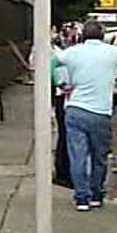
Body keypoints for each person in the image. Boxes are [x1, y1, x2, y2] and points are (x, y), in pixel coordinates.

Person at [51, 21, 117, 210]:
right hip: (100, 112)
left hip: (75, 109)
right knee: (99, 156)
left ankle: (81, 198)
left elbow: (51, 62)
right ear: (102, 34)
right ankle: (96, 194)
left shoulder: (72, 52)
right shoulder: (113, 52)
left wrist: (60, 84)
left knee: (77, 156)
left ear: (83, 35)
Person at [51, 26, 74, 189]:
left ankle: (64, 172)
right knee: (65, 136)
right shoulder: (53, 52)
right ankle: (63, 173)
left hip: (63, 97)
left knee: (64, 136)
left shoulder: (57, 51)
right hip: (63, 98)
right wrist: (61, 84)